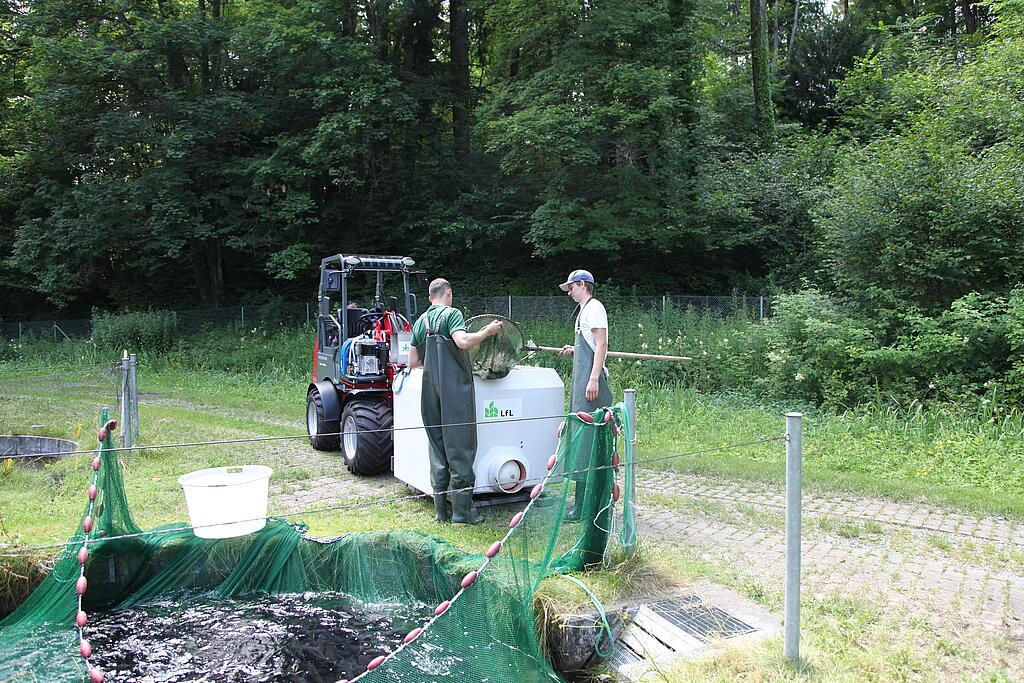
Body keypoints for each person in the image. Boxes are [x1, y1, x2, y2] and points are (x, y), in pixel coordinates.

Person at [408, 278, 501, 525]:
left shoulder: (421, 321)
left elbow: (412, 361)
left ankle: (441, 512)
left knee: (437, 448)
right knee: (460, 447)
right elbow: (462, 342)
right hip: (454, 393)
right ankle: (462, 513)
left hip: (429, 393)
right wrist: (487, 332)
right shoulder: (452, 314)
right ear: (448, 293)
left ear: (430, 297)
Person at [557, 269, 612, 520]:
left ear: (583, 285)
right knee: (579, 442)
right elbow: (589, 343)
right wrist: (574, 348)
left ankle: (586, 505)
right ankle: (581, 503)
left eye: (571, 287)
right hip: (581, 385)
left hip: (591, 386)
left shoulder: (595, 307)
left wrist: (593, 379)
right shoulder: (583, 311)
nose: (569, 292)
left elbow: (601, 344)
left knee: (587, 445)